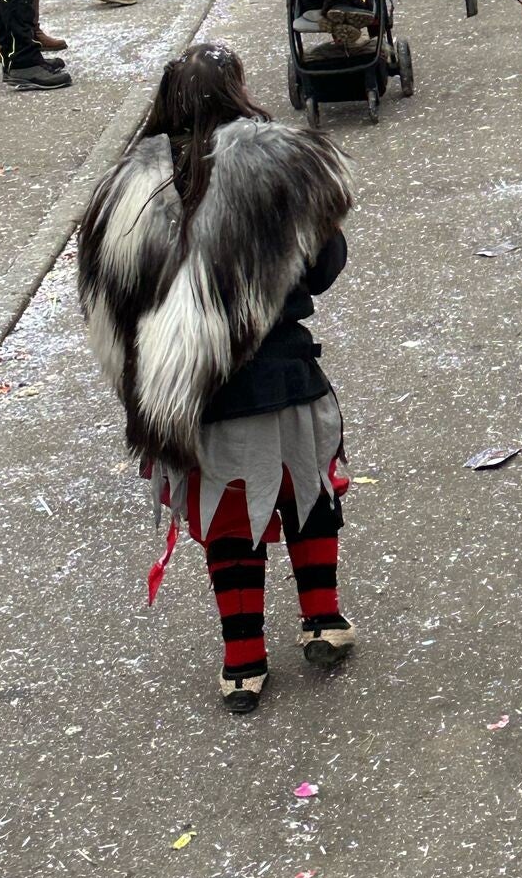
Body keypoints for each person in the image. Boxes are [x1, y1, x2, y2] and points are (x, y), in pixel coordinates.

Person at [76, 44, 356, 713]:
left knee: (231, 525)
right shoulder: (279, 163)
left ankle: (242, 664)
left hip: (194, 398)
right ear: (236, 91)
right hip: (284, 378)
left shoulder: (120, 192)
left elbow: (107, 305)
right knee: (306, 494)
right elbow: (323, 268)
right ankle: (322, 620)